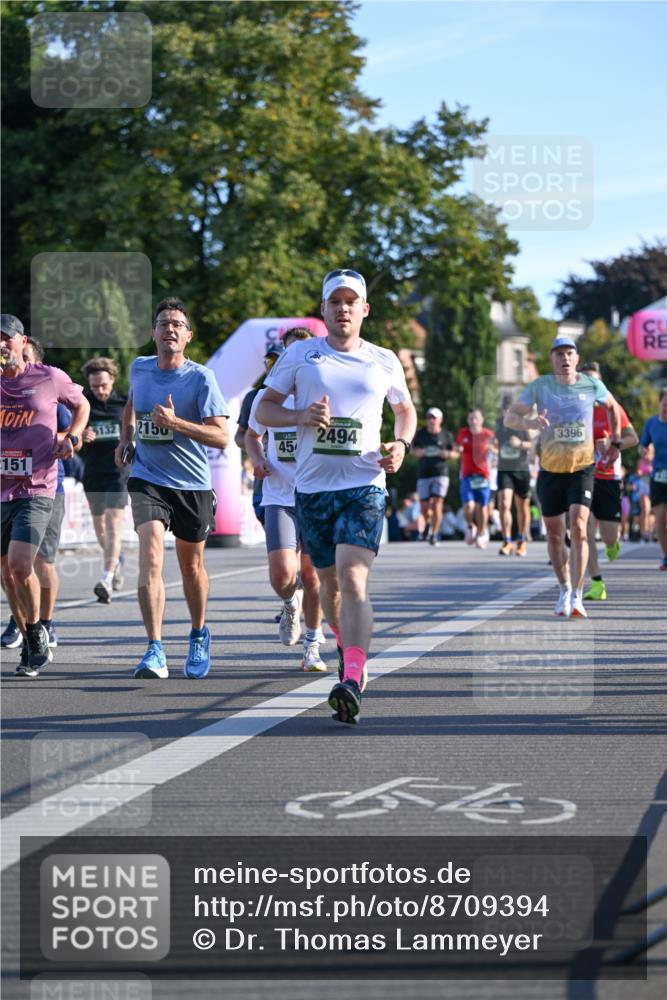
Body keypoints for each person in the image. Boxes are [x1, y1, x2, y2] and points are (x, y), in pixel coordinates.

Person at [256, 267, 417, 724]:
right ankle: (350, 652)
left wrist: (400, 446)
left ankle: (351, 675)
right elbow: (264, 409)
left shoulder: (384, 359)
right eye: (335, 302)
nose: (343, 308)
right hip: (311, 490)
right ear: (324, 310)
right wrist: (300, 415)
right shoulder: (302, 356)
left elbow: (404, 411)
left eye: (351, 301)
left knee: (352, 579)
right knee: (325, 585)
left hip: (364, 485)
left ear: (364, 310)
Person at [114, 297, 229, 679]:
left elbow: (221, 437)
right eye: (163, 323)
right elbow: (131, 405)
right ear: (153, 333)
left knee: (191, 566)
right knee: (150, 554)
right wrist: (126, 438)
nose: (170, 329)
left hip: (192, 484)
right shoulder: (139, 368)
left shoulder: (201, 379)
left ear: (188, 335)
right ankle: (155, 649)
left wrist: (177, 423)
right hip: (147, 479)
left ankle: (198, 632)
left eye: (178, 324)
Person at [505, 336, 622, 618]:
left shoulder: (590, 384)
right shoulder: (540, 386)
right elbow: (510, 417)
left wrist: (616, 443)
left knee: (580, 528)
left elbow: (613, 407)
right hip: (550, 470)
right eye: (559, 354)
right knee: (556, 535)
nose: (565, 358)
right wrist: (529, 422)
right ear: (552, 359)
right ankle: (564, 589)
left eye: (569, 353)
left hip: (582, 467)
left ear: (577, 358)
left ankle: (579, 595)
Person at [1, 314, 89, 676]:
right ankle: (28, 638)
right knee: (7, 575)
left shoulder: (49, 377)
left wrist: (73, 437)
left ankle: (36, 630)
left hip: (37, 485)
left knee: (21, 564)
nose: (1, 346)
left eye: (6, 339)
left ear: (22, 342)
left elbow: (81, 405)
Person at [245, 327, 326, 672]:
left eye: (302, 351)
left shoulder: (324, 392)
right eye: (288, 352)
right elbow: (251, 435)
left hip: (316, 493)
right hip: (279, 494)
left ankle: (313, 645)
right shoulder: (268, 396)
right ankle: (290, 605)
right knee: (283, 575)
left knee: (313, 575)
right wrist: (258, 458)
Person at [579, 361, 638, 601]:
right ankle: (596, 583)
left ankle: (613, 545)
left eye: (595, 380)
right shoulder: (576, 409)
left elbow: (632, 438)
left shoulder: (613, 408)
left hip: (609, 478)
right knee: (584, 528)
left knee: (609, 535)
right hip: (583, 475)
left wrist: (614, 444)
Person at [80, 356, 129, 603]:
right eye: (95, 386)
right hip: (92, 472)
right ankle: (116, 560)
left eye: (104, 385)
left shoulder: (124, 403)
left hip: (118, 473)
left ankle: (106, 578)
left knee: (112, 524)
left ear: (112, 380)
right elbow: (73, 438)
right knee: (100, 527)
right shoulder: (84, 405)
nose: (100, 390)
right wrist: (82, 435)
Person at [235, 342, 286, 528]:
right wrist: (260, 449)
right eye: (269, 361)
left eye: (278, 361)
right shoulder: (255, 397)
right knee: (282, 549)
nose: (273, 367)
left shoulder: (306, 394)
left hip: (302, 486)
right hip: (264, 484)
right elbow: (240, 436)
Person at [411, 406, 457, 546]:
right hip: (424, 474)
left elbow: (455, 453)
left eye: (434, 418)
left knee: (437, 503)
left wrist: (448, 454)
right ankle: (428, 523)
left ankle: (434, 534)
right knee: (424, 507)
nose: (431, 420)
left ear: (440, 420)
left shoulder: (446, 435)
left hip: (440, 473)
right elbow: (412, 450)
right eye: (429, 417)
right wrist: (417, 452)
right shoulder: (420, 434)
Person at [495, 394, 533, 556]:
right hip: (504, 469)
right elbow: (493, 441)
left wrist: (521, 444)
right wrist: (492, 445)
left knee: (522, 506)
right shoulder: (498, 424)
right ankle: (507, 541)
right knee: (504, 503)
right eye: (505, 410)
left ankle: (522, 539)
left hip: (521, 469)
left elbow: (533, 444)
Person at [455, 408, 497, 549]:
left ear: (482, 419)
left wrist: (493, 451)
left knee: (482, 507)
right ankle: (470, 526)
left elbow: (497, 451)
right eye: (471, 418)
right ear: (468, 420)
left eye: (476, 418)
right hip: (467, 475)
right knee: (468, 506)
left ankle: (482, 532)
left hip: (483, 476)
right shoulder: (463, 433)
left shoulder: (488, 435)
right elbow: (458, 447)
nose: (473, 420)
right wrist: (458, 450)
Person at [639, 388, 667, 571]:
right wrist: (644, 452)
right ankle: (666, 556)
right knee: (660, 519)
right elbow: (642, 446)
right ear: (659, 403)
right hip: (658, 476)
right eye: (665, 405)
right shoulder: (651, 423)